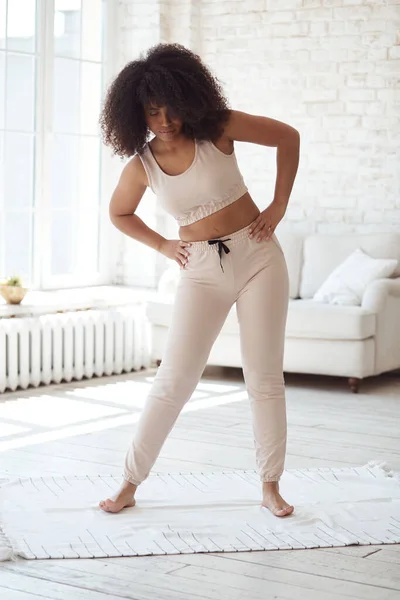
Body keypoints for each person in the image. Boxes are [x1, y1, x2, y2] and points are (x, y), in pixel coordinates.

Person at [99, 43, 299, 517]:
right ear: (137, 114)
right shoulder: (142, 166)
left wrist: (278, 206)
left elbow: (288, 137)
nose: (164, 120)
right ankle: (129, 482)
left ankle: (270, 485)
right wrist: (165, 246)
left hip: (258, 258)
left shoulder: (219, 128)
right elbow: (119, 213)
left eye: (170, 108)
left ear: (186, 99)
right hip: (201, 272)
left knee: (264, 377)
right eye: (152, 112)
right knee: (173, 380)